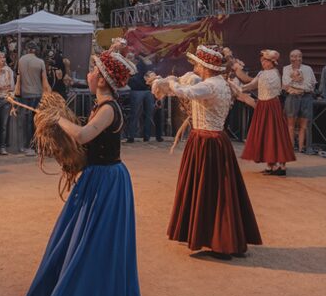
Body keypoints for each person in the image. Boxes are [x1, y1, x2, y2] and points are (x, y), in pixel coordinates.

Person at [24, 50, 142, 296]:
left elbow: (83, 135)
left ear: (101, 80)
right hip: (97, 177)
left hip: (106, 181)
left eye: (92, 71)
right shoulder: (100, 107)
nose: (88, 74)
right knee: (81, 235)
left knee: (92, 239)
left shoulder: (109, 109)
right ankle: (73, 294)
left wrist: (55, 118)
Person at [154, 45, 262, 258]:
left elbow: (185, 92)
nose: (195, 67)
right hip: (215, 140)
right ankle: (226, 238)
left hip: (206, 141)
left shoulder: (210, 86)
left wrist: (171, 81)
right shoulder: (222, 83)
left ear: (206, 67)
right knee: (221, 189)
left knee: (209, 189)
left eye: (198, 64)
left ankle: (219, 242)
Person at [236, 50, 296, 176]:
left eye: (266, 61)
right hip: (263, 106)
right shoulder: (262, 73)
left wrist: (240, 75)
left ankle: (281, 166)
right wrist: (236, 88)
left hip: (271, 106)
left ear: (272, 62)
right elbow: (251, 85)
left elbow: (255, 82)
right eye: (262, 61)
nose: (263, 63)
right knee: (265, 135)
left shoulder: (275, 74)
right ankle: (271, 165)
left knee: (275, 134)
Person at [14, 42, 50, 156]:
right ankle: (37, 146)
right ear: (36, 50)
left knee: (25, 121)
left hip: (24, 94)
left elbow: (18, 76)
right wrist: (49, 93)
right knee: (37, 121)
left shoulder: (21, 60)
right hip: (37, 94)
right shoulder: (40, 62)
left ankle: (25, 146)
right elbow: (44, 81)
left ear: (27, 49)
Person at [282, 49, 317, 155]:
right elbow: (285, 85)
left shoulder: (308, 69)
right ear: (290, 58)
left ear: (301, 57)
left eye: (298, 56)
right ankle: (290, 147)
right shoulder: (286, 68)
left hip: (306, 97)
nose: (295, 59)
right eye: (293, 56)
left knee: (304, 125)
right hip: (292, 98)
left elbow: (310, 86)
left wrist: (297, 87)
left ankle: (302, 148)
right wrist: (294, 80)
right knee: (291, 124)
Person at [126, 52, 156, 143]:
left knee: (147, 114)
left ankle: (145, 136)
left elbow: (150, 74)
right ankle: (131, 136)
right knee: (135, 114)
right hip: (137, 91)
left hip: (145, 90)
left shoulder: (144, 64)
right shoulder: (129, 65)